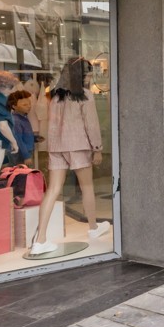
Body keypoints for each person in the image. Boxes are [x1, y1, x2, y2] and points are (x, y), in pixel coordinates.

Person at [30, 58, 107, 255]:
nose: (89, 77)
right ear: (81, 75)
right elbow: (91, 124)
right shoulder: (85, 95)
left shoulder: (55, 95)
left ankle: (40, 240)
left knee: (53, 190)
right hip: (78, 145)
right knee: (87, 187)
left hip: (57, 147)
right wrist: (97, 148)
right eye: (88, 74)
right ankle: (93, 228)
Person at [6, 90, 37, 165]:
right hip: (20, 154)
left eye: (29, 103)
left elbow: (23, 135)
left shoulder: (23, 117)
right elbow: (18, 140)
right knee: (20, 171)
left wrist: (34, 138)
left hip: (24, 151)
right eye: (24, 105)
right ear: (14, 106)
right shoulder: (16, 120)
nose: (29, 106)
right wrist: (26, 156)